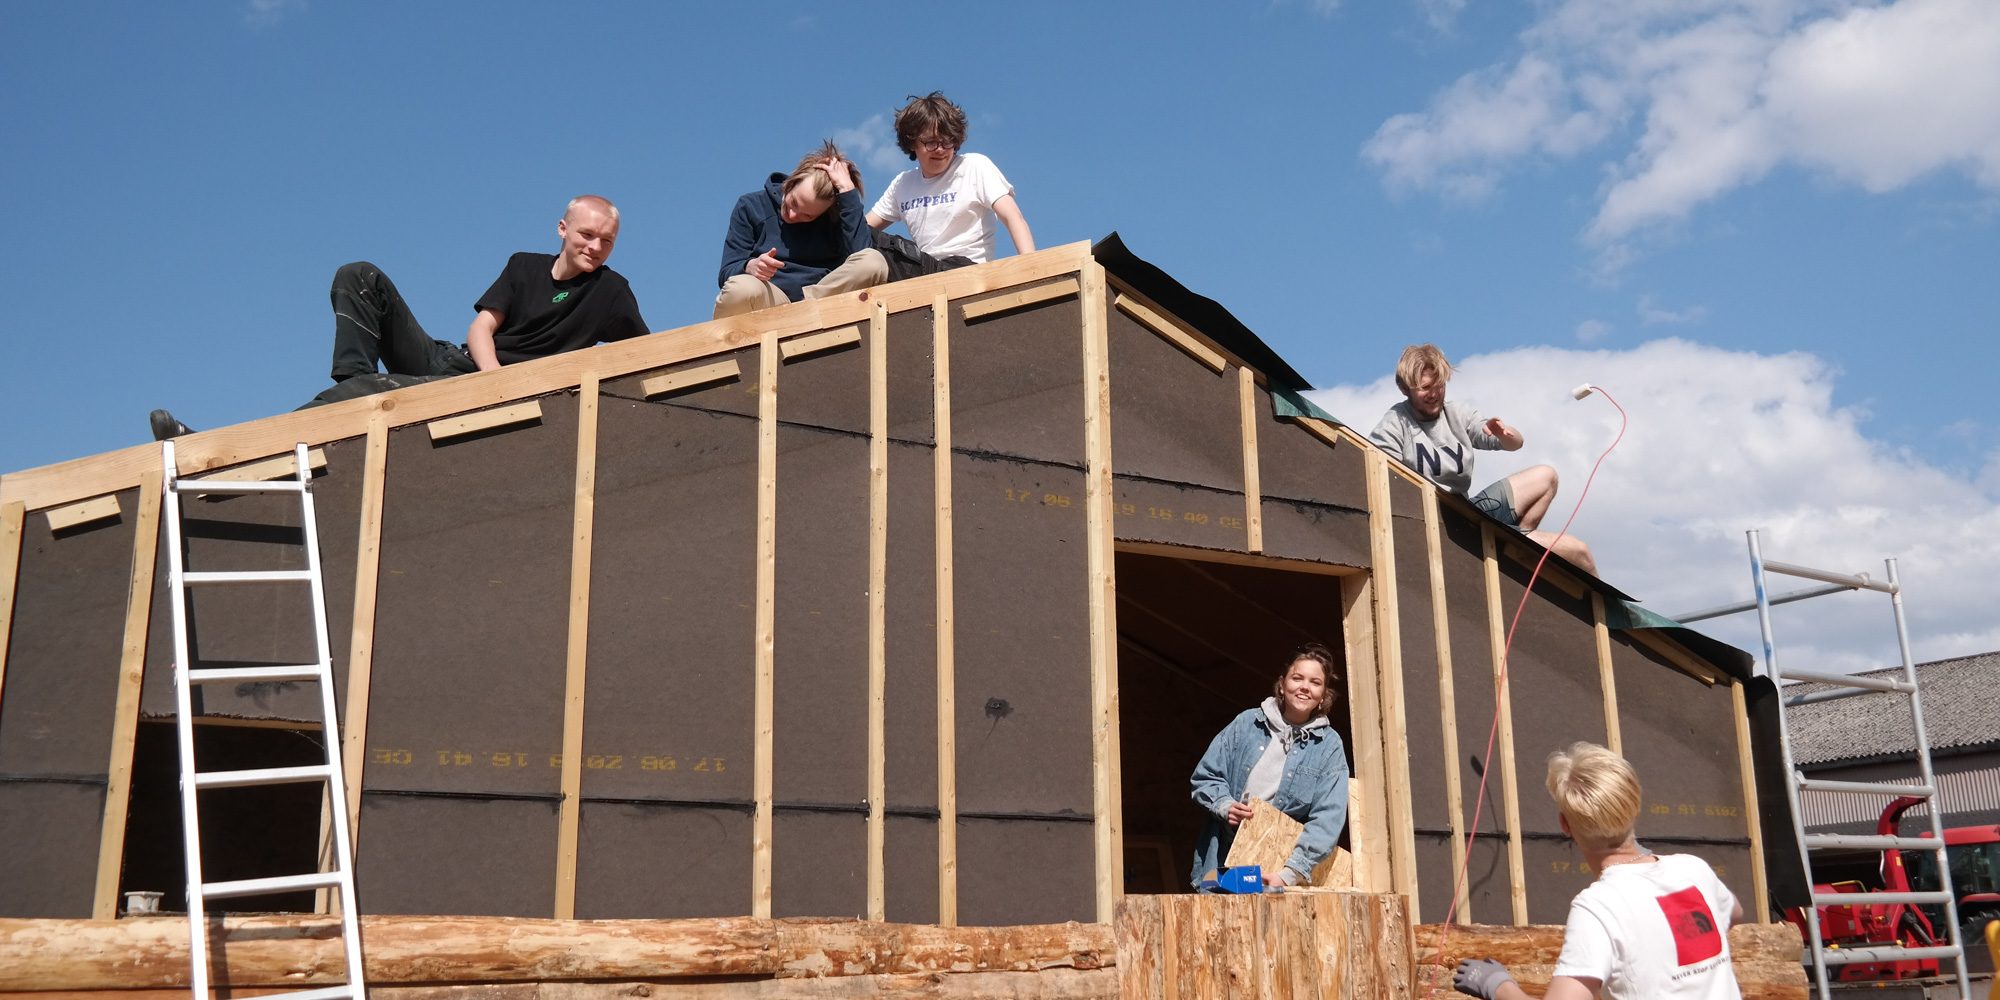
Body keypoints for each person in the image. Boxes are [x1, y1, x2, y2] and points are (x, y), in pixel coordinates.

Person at [150, 195, 648, 438]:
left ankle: (220, 446)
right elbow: (483, 327)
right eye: (586, 234)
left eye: (606, 240)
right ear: (563, 229)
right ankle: (356, 379)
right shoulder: (524, 266)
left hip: (486, 389)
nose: (595, 246)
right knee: (359, 275)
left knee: (364, 397)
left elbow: (645, 356)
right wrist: (491, 379)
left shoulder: (611, 292)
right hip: (456, 364)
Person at [1452, 743, 1744, 1000]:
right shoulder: (1692, 868)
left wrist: (1496, 986)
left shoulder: (1599, 907)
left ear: (1565, 825)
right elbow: (1733, 913)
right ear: (1634, 805)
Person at [1367, 344, 1598, 575]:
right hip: (1440, 525)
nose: (1435, 394)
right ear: (1404, 388)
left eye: (1440, 385)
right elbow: (1380, 478)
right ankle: (1508, 548)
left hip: (1469, 515)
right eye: (1425, 388)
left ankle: (1512, 550)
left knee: (1546, 476)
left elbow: (1515, 443)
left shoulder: (1456, 413)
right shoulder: (1394, 426)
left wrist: (1502, 432)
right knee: (1580, 552)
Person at [1188, 643, 1350, 890]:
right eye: (1298, 678)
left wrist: (1289, 873)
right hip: (1223, 853)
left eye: (1315, 682)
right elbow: (1205, 777)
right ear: (1283, 684)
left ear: (1323, 694)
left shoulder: (1329, 746)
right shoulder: (1247, 724)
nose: (1305, 687)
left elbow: (1328, 818)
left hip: (1277, 869)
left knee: (1267, 926)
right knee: (1218, 923)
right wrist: (1224, 806)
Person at [712, 142, 886, 319]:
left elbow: (863, 255)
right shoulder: (751, 206)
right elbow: (727, 272)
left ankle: (804, 313)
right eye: (794, 202)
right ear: (792, 181)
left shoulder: (837, 218)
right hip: (770, 302)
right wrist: (749, 266)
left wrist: (847, 191)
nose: (793, 215)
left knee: (874, 261)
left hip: (823, 302)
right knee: (740, 288)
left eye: (808, 216)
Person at [866, 91, 1034, 271]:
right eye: (931, 142)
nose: (940, 150)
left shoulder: (974, 166)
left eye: (947, 142)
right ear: (913, 143)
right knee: (875, 245)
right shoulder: (903, 183)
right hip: (924, 271)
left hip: (967, 269)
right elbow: (862, 228)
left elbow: (1013, 217)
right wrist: (845, 190)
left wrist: (1032, 269)